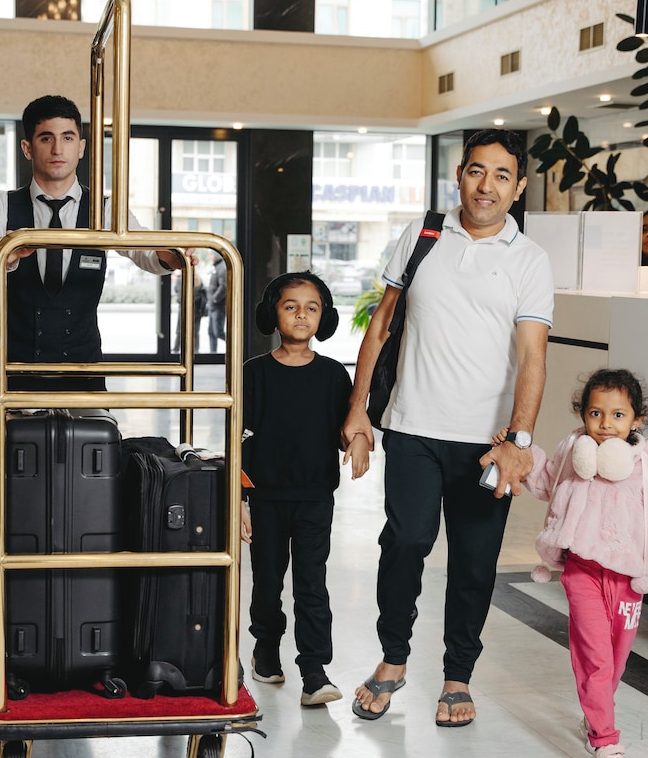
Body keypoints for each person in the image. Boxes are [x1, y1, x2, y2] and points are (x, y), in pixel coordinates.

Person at [343, 128, 555, 724]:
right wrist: (359, 408)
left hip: (487, 444)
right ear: (459, 174)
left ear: (518, 187)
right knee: (405, 542)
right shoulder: (423, 234)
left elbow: (533, 358)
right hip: (412, 425)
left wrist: (518, 441)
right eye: (476, 171)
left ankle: (458, 675)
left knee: (474, 562)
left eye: (502, 175)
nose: (486, 186)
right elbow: (381, 325)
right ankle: (393, 659)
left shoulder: (530, 260)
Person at [514, 368, 648, 758]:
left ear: (637, 419)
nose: (605, 423)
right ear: (583, 414)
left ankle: (595, 714)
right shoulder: (575, 451)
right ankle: (605, 745)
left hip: (628, 581)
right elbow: (547, 482)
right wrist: (522, 454)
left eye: (618, 415)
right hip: (582, 570)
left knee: (614, 661)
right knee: (594, 658)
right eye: (595, 413)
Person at [0, 94, 191, 390]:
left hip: (86, 373)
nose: (58, 149)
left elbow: (141, 248)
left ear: (81, 148)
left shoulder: (104, 209)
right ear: (27, 148)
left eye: (67, 138)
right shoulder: (1, 204)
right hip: (14, 376)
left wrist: (170, 257)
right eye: (46, 138)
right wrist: (5, 253)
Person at [241, 271, 370, 706]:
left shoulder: (334, 375)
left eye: (311, 308)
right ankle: (265, 649)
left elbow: (346, 428)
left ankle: (314, 671)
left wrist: (358, 440)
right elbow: (237, 441)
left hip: (315, 498)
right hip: (265, 499)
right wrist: (239, 499)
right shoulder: (253, 373)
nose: (301, 314)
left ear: (324, 317)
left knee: (312, 585)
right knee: (267, 582)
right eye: (290, 306)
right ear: (272, 314)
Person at [206, 252, 227, 353]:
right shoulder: (217, 267)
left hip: (218, 306)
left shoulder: (222, 268)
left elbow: (224, 286)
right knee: (211, 332)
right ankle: (212, 353)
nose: (209, 256)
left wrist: (215, 299)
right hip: (213, 306)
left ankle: (236, 346)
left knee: (218, 332)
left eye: (211, 254)